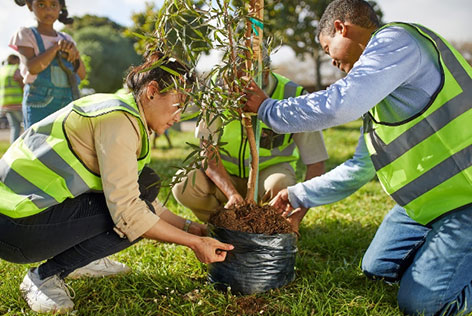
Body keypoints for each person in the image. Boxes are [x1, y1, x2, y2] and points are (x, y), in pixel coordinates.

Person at [244, 0, 472, 315]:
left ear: (340, 28)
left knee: (423, 305)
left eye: (328, 49)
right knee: (376, 268)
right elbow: (359, 169)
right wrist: (297, 194)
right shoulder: (379, 100)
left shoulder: (397, 42)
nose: (332, 62)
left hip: (466, 201)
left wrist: (268, 109)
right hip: (424, 206)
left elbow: (340, 104)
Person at [0, 51, 233, 314]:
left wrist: (191, 228)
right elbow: (129, 214)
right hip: (16, 227)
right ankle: (44, 276)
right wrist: (194, 244)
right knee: (131, 213)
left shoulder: (122, 107)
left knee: (146, 184)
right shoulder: (118, 121)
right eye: (178, 104)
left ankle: (80, 260)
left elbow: (141, 196)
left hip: (21, 215)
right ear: (152, 91)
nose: (179, 116)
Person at [173, 56, 328, 231]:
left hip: (268, 177)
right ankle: (224, 225)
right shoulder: (215, 93)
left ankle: (271, 227)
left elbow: (316, 163)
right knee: (184, 185)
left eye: (243, 87)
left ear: (266, 74)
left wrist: (297, 218)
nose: (234, 93)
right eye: (230, 85)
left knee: (280, 185)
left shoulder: (293, 97)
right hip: (224, 177)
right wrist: (231, 193)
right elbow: (208, 152)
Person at [9, 0, 86, 128]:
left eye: (53, 5)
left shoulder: (67, 39)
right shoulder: (26, 34)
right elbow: (33, 68)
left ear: (60, 7)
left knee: (66, 144)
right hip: (39, 103)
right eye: (41, 4)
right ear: (30, 6)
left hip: (68, 101)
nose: (48, 10)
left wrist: (75, 54)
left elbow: (81, 74)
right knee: (38, 143)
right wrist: (56, 48)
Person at [0, 54, 24, 143]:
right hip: (17, 103)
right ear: (14, 60)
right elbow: (22, 83)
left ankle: (13, 148)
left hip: (5, 104)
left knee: (15, 127)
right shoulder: (15, 70)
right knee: (26, 125)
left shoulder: (2, 71)